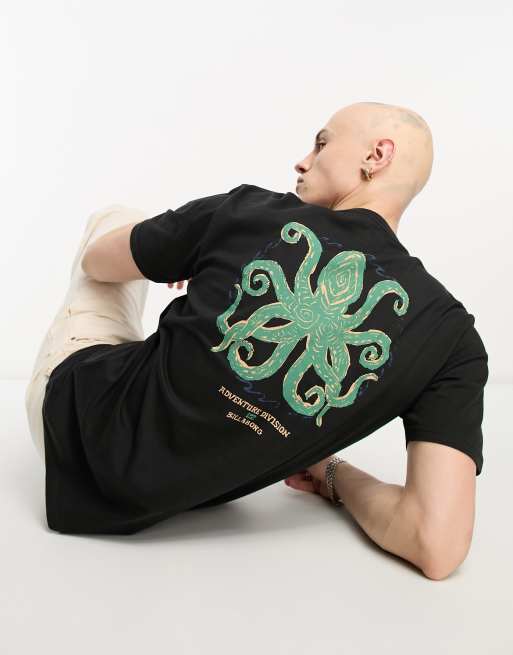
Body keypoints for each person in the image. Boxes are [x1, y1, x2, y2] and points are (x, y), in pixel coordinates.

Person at [24, 101, 488, 580]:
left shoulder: (246, 211)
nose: (303, 161)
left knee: (116, 218)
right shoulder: (452, 340)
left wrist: (185, 253)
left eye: (322, 143)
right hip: (187, 499)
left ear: (377, 155)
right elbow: (436, 544)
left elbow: (98, 264)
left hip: (70, 425)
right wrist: (331, 472)